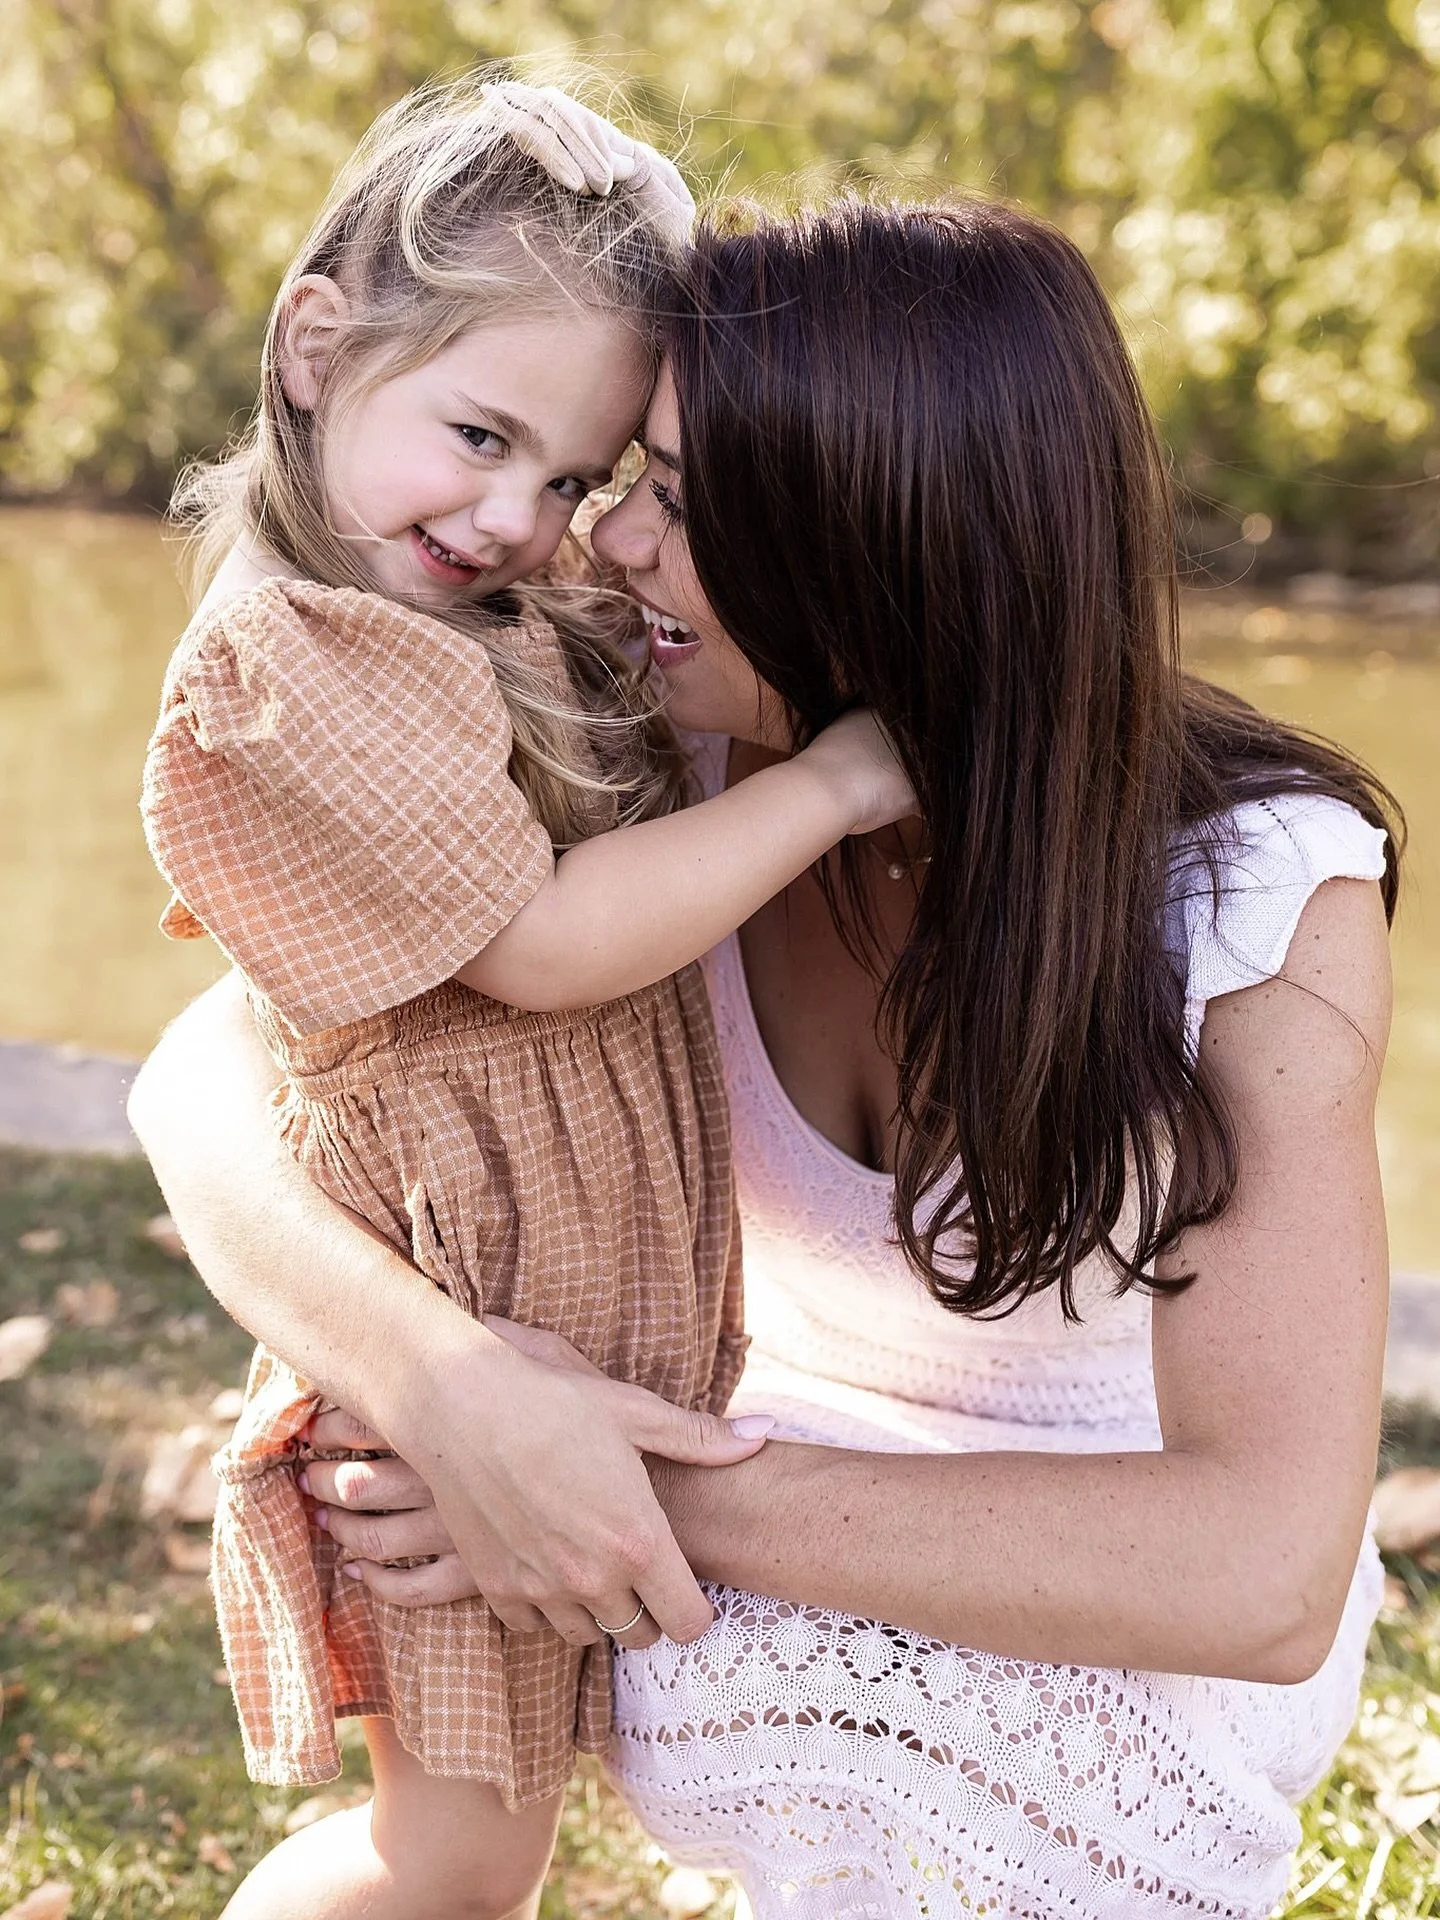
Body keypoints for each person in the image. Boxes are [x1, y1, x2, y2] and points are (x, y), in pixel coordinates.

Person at [131, 196, 1400, 1919]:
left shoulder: (1252, 893)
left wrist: (611, 1483)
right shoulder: (669, 758)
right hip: (751, 1483)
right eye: (621, 472)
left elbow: (1261, 1572)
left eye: (675, 498)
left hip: (1115, 1575)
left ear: (875, 547)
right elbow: (201, 1086)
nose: (601, 542)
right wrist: (456, 1396)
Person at [138, 81, 914, 1920]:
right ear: (317, 347)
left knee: (511, 1840)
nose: (517, 516)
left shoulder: (464, 608)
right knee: (452, 1862)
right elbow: (547, 942)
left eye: (573, 479)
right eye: (479, 436)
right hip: (453, 1330)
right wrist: (831, 785)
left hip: (573, 1316)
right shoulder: (292, 660)